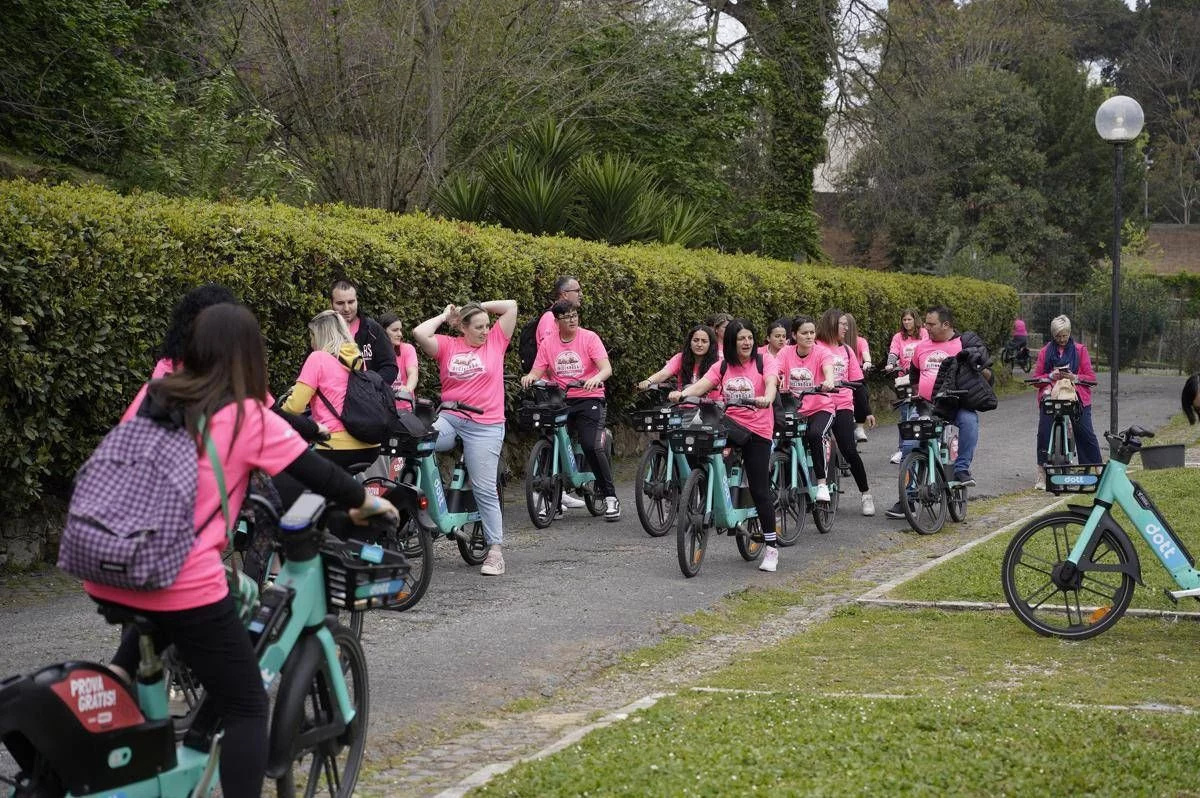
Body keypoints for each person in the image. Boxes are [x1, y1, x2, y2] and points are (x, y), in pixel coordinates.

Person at [87, 303, 397, 798]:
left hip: (109, 561)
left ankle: (128, 691)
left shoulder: (155, 394)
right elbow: (318, 475)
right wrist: (371, 505)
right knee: (248, 704)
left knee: (194, 619)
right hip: (178, 574)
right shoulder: (244, 415)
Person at [412, 299, 518, 575]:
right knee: (418, 444)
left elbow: (511, 306)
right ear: (464, 328)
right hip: (450, 419)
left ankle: (495, 550)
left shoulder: (496, 342)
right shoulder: (449, 345)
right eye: (479, 326)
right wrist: (445, 314)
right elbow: (419, 333)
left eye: (487, 325)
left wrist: (477, 305)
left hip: (486, 424)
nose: (485, 330)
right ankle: (425, 510)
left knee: (484, 488)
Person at [669, 319, 781, 571]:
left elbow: (772, 382)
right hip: (730, 425)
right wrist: (684, 393)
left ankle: (772, 549)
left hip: (758, 430)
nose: (747, 342)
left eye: (750, 338)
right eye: (741, 338)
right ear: (731, 341)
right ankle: (706, 488)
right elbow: (702, 385)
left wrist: (767, 398)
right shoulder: (722, 366)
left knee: (760, 489)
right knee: (701, 444)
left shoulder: (764, 362)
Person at [522, 300, 620, 521]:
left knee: (590, 444)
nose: (572, 319)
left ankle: (611, 497)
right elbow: (538, 370)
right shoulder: (548, 343)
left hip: (589, 398)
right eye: (566, 316)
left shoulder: (589, 338)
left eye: (574, 314)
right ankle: (551, 499)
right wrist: (530, 377)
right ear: (556, 321)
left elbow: (606, 369)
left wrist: (595, 379)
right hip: (561, 400)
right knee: (550, 440)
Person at [887, 304, 985, 519]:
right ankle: (909, 499)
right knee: (910, 444)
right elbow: (913, 377)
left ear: (946, 325)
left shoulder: (962, 345)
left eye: (931, 324)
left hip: (955, 405)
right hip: (926, 406)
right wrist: (912, 394)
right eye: (926, 324)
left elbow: (983, 375)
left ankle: (961, 470)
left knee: (969, 422)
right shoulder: (921, 347)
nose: (926, 328)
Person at [280, 310, 380, 474]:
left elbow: (295, 407)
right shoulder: (357, 359)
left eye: (312, 336)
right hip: (369, 445)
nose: (311, 342)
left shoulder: (317, 358)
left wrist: (276, 413)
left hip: (335, 446)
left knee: (295, 486)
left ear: (321, 334)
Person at [533, 276, 587, 511]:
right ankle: (541, 494)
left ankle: (559, 491)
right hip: (549, 390)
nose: (580, 293)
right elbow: (550, 351)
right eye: (577, 290)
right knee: (550, 439)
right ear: (564, 294)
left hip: (562, 389)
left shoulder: (565, 318)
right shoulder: (549, 319)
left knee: (562, 439)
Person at [816, 309, 876, 516]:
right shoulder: (815, 347)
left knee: (849, 449)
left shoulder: (847, 351)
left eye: (846, 324)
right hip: (819, 403)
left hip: (842, 404)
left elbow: (858, 384)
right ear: (831, 324)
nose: (846, 327)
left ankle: (865, 493)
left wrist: (866, 411)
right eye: (842, 324)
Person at [1031, 315, 1101, 488]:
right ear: (1053, 335)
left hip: (1074, 393)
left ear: (1070, 333)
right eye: (1058, 336)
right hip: (1052, 393)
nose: (1062, 340)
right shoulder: (1045, 351)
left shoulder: (1080, 350)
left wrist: (1074, 377)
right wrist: (1050, 376)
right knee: (1044, 429)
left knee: (1085, 430)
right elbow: (1036, 379)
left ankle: (1097, 467)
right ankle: (1041, 470)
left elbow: (1090, 377)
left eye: (1065, 335)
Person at [777, 315, 838, 501]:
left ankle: (821, 484)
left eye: (812, 332)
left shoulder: (822, 352)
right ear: (794, 335)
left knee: (815, 434)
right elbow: (775, 370)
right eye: (804, 333)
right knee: (781, 441)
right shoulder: (785, 352)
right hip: (794, 409)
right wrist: (775, 380)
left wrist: (828, 381)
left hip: (821, 407)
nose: (810, 336)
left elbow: (828, 370)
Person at [330, 278, 398, 384]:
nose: (346, 308)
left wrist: (369, 386)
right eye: (340, 303)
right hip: (333, 398)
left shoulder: (373, 330)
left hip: (369, 397)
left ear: (357, 301)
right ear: (331, 304)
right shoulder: (325, 332)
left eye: (351, 302)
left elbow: (390, 368)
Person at [886, 308, 928, 464]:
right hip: (904, 379)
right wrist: (891, 363)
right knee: (905, 414)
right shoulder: (899, 337)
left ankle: (923, 444)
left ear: (915, 320)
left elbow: (926, 349)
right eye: (904, 320)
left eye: (909, 319)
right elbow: (893, 351)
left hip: (921, 378)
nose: (907, 322)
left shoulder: (924, 333)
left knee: (922, 411)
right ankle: (902, 448)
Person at [638, 324, 720, 394]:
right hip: (683, 407)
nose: (699, 344)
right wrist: (648, 381)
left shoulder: (718, 363)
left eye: (704, 341)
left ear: (710, 345)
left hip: (711, 409)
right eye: (695, 340)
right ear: (690, 343)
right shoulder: (680, 358)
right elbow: (664, 373)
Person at [839, 312, 873, 442]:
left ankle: (860, 426)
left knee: (862, 393)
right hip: (841, 378)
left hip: (855, 375)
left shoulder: (860, 341)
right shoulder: (836, 344)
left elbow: (866, 354)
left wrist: (867, 362)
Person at [378, 311, 419, 409]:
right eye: (395, 330)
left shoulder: (408, 349)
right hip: (381, 409)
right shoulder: (374, 353)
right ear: (383, 331)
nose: (400, 334)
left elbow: (413, 374)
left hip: (405, 408)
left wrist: (408, 388)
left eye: (400, 330)